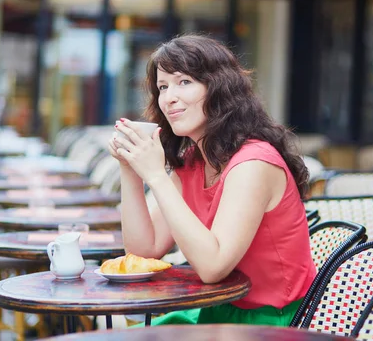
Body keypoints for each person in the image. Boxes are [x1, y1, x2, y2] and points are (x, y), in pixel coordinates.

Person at [108, 34, 316, 327]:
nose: (169, 98)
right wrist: (129, 169)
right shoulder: (194, 160)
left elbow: (212, 268)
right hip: (216, 309)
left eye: (184, 82)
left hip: (272, 321)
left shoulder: (253, 162)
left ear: (219, 88)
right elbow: (144, 250)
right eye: (163, 87)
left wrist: (156, 175)